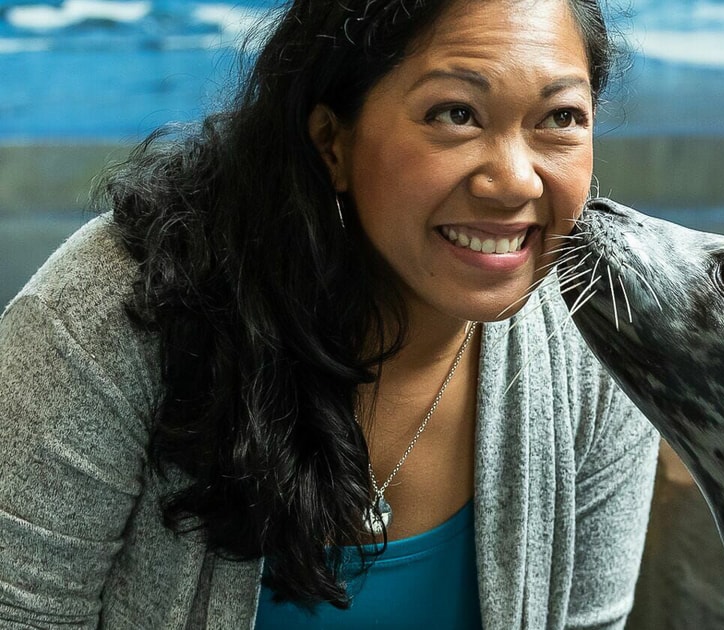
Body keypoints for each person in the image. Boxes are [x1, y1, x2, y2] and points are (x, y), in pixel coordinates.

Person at [0, 0, 659, 627]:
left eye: (561, 119)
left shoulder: (605, 347)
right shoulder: (114, 314)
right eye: (456, 113)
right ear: (331, 141)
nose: (516, 181)